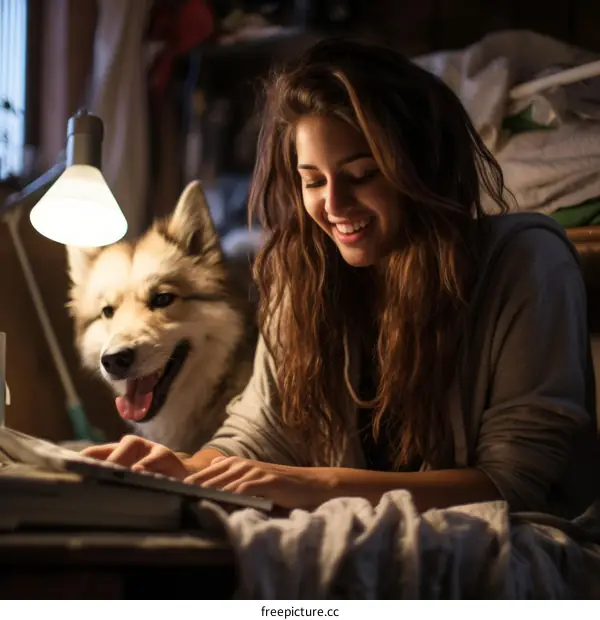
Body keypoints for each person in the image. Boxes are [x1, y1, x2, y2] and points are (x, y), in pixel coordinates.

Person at [83, 38, 599, 518]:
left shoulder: (526, 261)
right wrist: (184, 467)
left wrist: (318, 484)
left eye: (361, 175)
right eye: (313, 181)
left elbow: (513, 485)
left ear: (421, 168)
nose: (333, 206)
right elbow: (260, 433)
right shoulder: (303, 276)